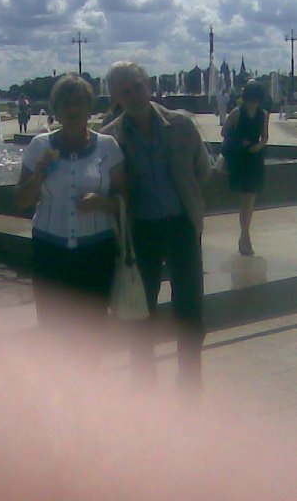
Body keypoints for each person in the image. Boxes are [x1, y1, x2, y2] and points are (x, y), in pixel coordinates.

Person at [101, 61, 212, 388]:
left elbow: (202, 170)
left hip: (182, 225)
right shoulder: (110, 138)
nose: (134, 95)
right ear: (114, 97)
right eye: (125, 91)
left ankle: (189, 381)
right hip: (141, 232)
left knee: (190, 306)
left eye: (137, 87)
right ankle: (143, 383)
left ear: (148, 86)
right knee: (141, 308)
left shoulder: (180, 124)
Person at [14, 74, 125, 335]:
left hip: (96, 252)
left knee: (93, 331)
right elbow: (20, 201)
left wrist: (101, 202)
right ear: (56, 110)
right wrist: (38, 175)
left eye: (79, 103)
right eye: (66, 104)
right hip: (50, 250)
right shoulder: (39, 145)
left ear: (89, 108)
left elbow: (125, 199)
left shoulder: (108, 147)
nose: (73, 110)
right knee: (53, 331)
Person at [221, 80, 269, 256]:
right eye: (250, 99)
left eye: (255, 100)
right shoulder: (237, 112)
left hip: (254, 159)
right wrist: (241, 141)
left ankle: (244, 236)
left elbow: (265, 137)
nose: (252, 103)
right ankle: (245, 237)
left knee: (249, 200)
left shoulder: (263, 114)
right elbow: (224, 131)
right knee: (246, 200)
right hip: (240, 159)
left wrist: (259, 146)